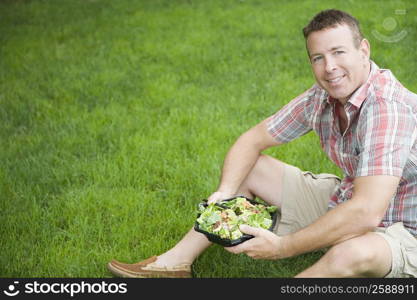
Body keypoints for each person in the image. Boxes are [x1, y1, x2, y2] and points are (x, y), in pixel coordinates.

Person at [107, 9, 417, 278]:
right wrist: (226, 194)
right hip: (355, 198)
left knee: (350, 254)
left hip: (406, 227)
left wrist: (283, 247)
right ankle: (174, 263)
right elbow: (252, 140)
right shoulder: (322, 96)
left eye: (339, 52)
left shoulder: (387, 106)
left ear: (363, 49)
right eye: (318, 58)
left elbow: (366, 212)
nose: (329, 68)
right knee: (249, 169)